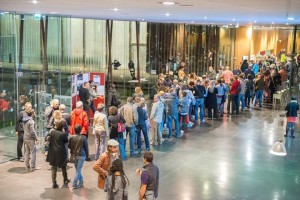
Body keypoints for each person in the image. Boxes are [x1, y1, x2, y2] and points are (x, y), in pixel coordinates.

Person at [46, 120, 70, 189]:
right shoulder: (62, 134)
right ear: (62, 127)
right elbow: (66, 141)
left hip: (53, 152)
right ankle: (65, 179)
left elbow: (47, 138)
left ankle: (54, 183)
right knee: (63, 166)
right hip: (61, 152)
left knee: (54, 167)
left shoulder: (52, 131)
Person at [69, 124, 89, 189]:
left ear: (74, 130)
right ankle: (75, 184)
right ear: (80, 130)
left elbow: (69, 146)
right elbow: (86, 147)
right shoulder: (84, 138)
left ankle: (81, 180)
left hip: (74, 155)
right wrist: (87, 155)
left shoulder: (71, 137)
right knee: (78, 170)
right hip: (82, 155)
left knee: (77, 169)